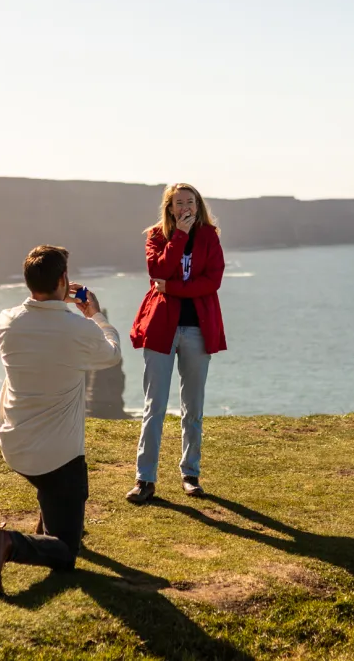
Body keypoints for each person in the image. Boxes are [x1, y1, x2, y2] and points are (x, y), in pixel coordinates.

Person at [0, 245, 122, 597]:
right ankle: (6, 543)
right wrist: (94, 314)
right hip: (58, 457)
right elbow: (112, 353)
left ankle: (50, 518)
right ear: (64, 280)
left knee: (54, 490)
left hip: (13, 442)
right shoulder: (77, 329)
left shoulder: (6, 321)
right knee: (67, 551)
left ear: (29, 282)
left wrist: (55, 300)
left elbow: (39, 324)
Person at [126, 183, 226, 503]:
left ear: (198, 205)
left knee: (193, 406)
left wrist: (172, 288)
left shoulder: (209, 237)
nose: (185, 207)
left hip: (197, 329)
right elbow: (158, 270)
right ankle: (145, 479)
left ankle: (190, 474)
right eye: (179, 202)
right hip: (161, 328)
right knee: (154, 405)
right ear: (169, 207)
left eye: (190, 202)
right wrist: (179, 236)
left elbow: (212, 281)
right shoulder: (157, 236)